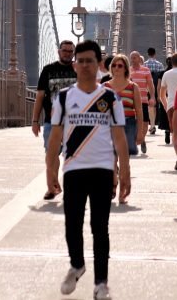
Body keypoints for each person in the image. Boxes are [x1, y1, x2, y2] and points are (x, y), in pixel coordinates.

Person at [46, 40, 131, 300]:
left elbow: (119, 137)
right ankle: (77, 264)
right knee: (72, 223)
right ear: (75, 65)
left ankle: (101, 284)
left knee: (99, 227)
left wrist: (124, 172)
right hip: (74, 168)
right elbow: (55, 137)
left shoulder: (110, 98)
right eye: (80, 61)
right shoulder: (63, 98)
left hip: (102, 169)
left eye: (89, 61)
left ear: (99, 65)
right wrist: (50, 171)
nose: (84, 66)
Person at [32, 39, 77, 200]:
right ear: (59, 52)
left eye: (71, 51)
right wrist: (35, 121)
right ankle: (53, 185)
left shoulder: (79, 70)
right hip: (52, 121)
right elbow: (40, 96)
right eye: (65, 51)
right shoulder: (48, 70)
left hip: (74, 121)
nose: (67, 54)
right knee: (51, 155)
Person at [104, 53, 142, 156]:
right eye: (114, 65)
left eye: (120, 66)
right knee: (111, 157)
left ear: (125, 68)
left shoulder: (133, 87)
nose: (116, 68)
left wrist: (140, 132)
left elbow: (139, 111)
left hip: (128, 124)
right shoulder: (104, 87)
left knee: (125, 157)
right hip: (109, 124)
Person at [128, 50, 155, 154]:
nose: (133, 60)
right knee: (133, 122)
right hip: (131, 101)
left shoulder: (146, 70)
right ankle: (135, 141)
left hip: (143, 100)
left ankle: (142, 139)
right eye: (131, 58)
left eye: (134, 57)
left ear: (139, 58)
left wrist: (152, 97)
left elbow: (150, 85)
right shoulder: (128, 71)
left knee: (145, 122)